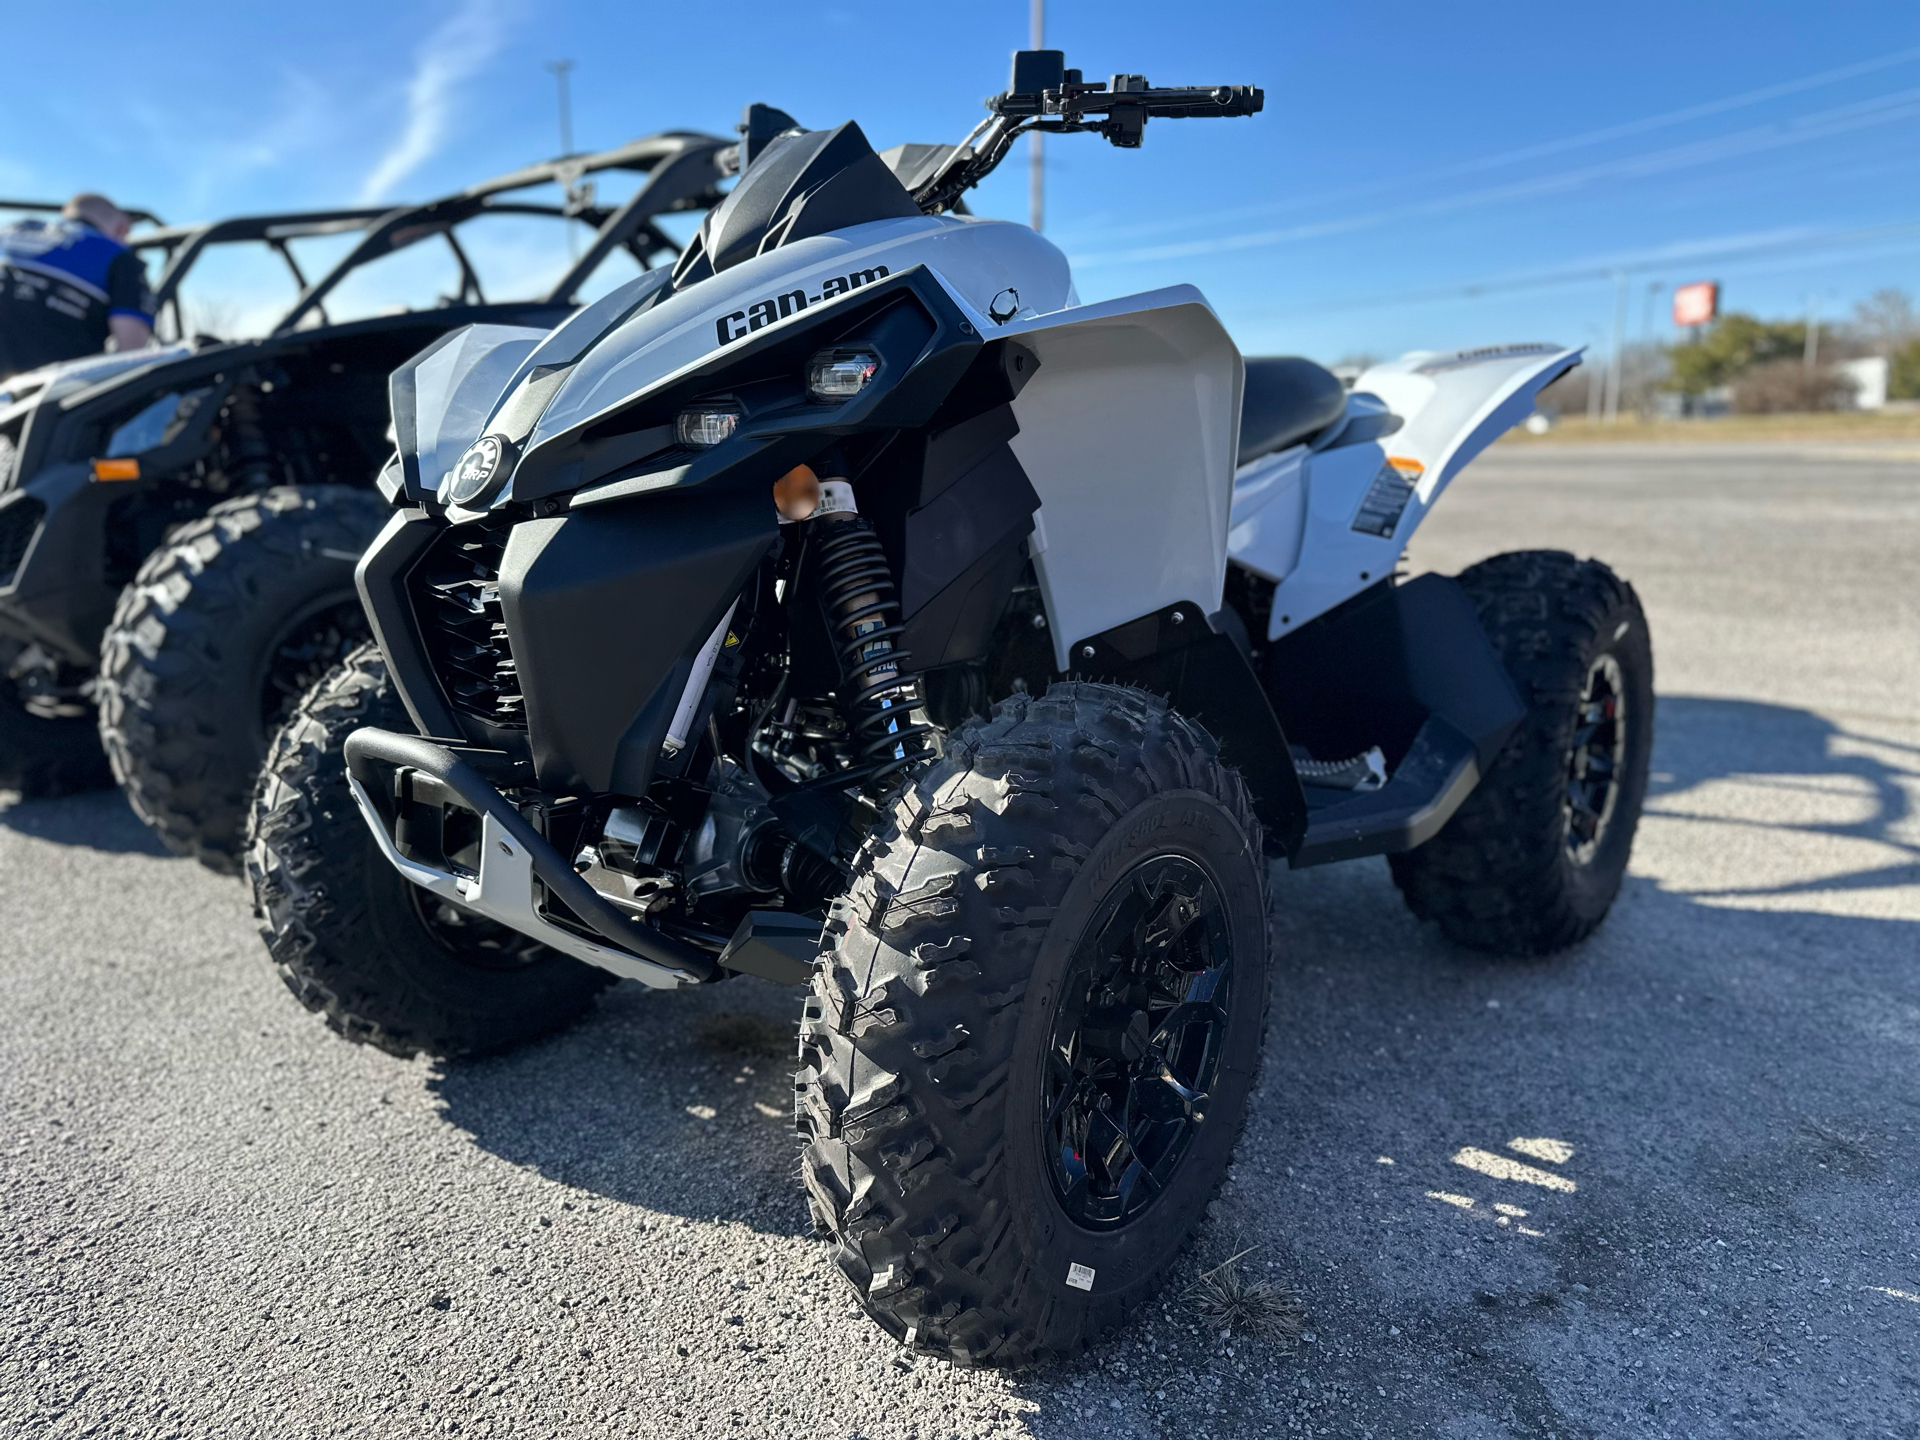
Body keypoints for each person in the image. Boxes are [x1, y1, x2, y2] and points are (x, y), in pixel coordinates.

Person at [0, 193, 156, 380]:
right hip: (49, 398)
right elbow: (132, 354)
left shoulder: (9, 232)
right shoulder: (118, 257)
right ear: (123, 228)